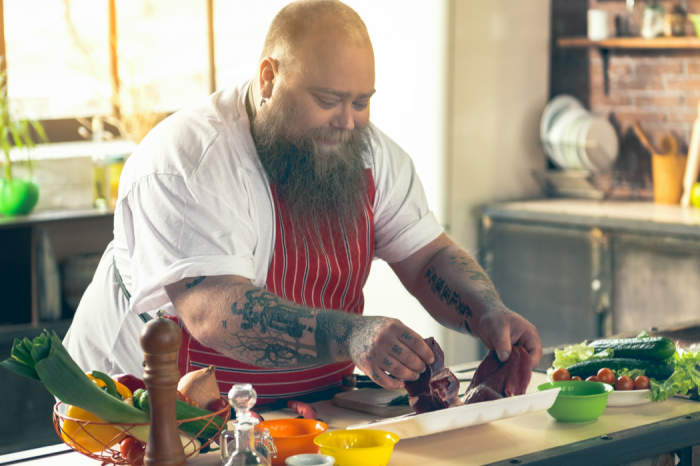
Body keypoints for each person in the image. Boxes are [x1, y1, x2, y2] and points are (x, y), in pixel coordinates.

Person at [64, 0, 542, 404]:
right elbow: (214, 311)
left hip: (304, 409)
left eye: (360, 102)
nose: (348, 122)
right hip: (139, 411)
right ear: (269, 78)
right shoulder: (190, 159)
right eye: (328, 99)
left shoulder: (375, 157)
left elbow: (428, 257)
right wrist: (352, 335)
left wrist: (486, 311)